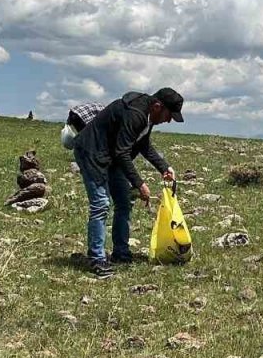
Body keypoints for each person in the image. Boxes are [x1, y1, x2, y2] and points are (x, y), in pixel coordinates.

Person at [68, 88, 184, 278]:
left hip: (111, 156)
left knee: (123, 202)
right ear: (157, 106)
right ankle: (97, 259)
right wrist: (140, 184)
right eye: (169, 115)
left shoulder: (148, 116)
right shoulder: (136, 114)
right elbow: (123, 152)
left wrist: (164, 167)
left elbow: (143, 144)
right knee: (101, 204)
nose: (169, 120)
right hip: (91, 152)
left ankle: (121, 253)